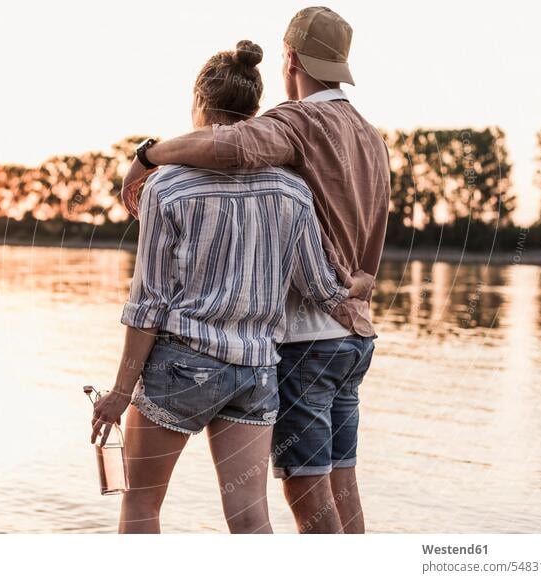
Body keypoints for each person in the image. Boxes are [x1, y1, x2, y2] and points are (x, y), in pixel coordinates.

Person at [120, 7, 391, 534]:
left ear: (290, 56)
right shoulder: (370, 135)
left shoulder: (298, 122)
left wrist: (149, 155)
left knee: (309, 496)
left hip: (306, 340)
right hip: (355, 334)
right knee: (342, 487)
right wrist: (357, 285)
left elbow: (234, 144)